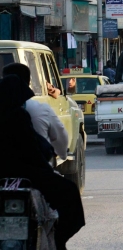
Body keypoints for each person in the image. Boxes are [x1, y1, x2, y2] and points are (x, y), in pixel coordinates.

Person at [0, 75, 85, 250]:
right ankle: (58, 241)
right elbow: (32, 151)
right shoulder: (18, 116)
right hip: (24, 172)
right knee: (70, 194)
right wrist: (47, 169)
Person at [3, 63, 69, 160]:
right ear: (29, 82)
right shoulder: (41, 109)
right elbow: (60, 136)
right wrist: (63, 154)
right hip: (36, 166)